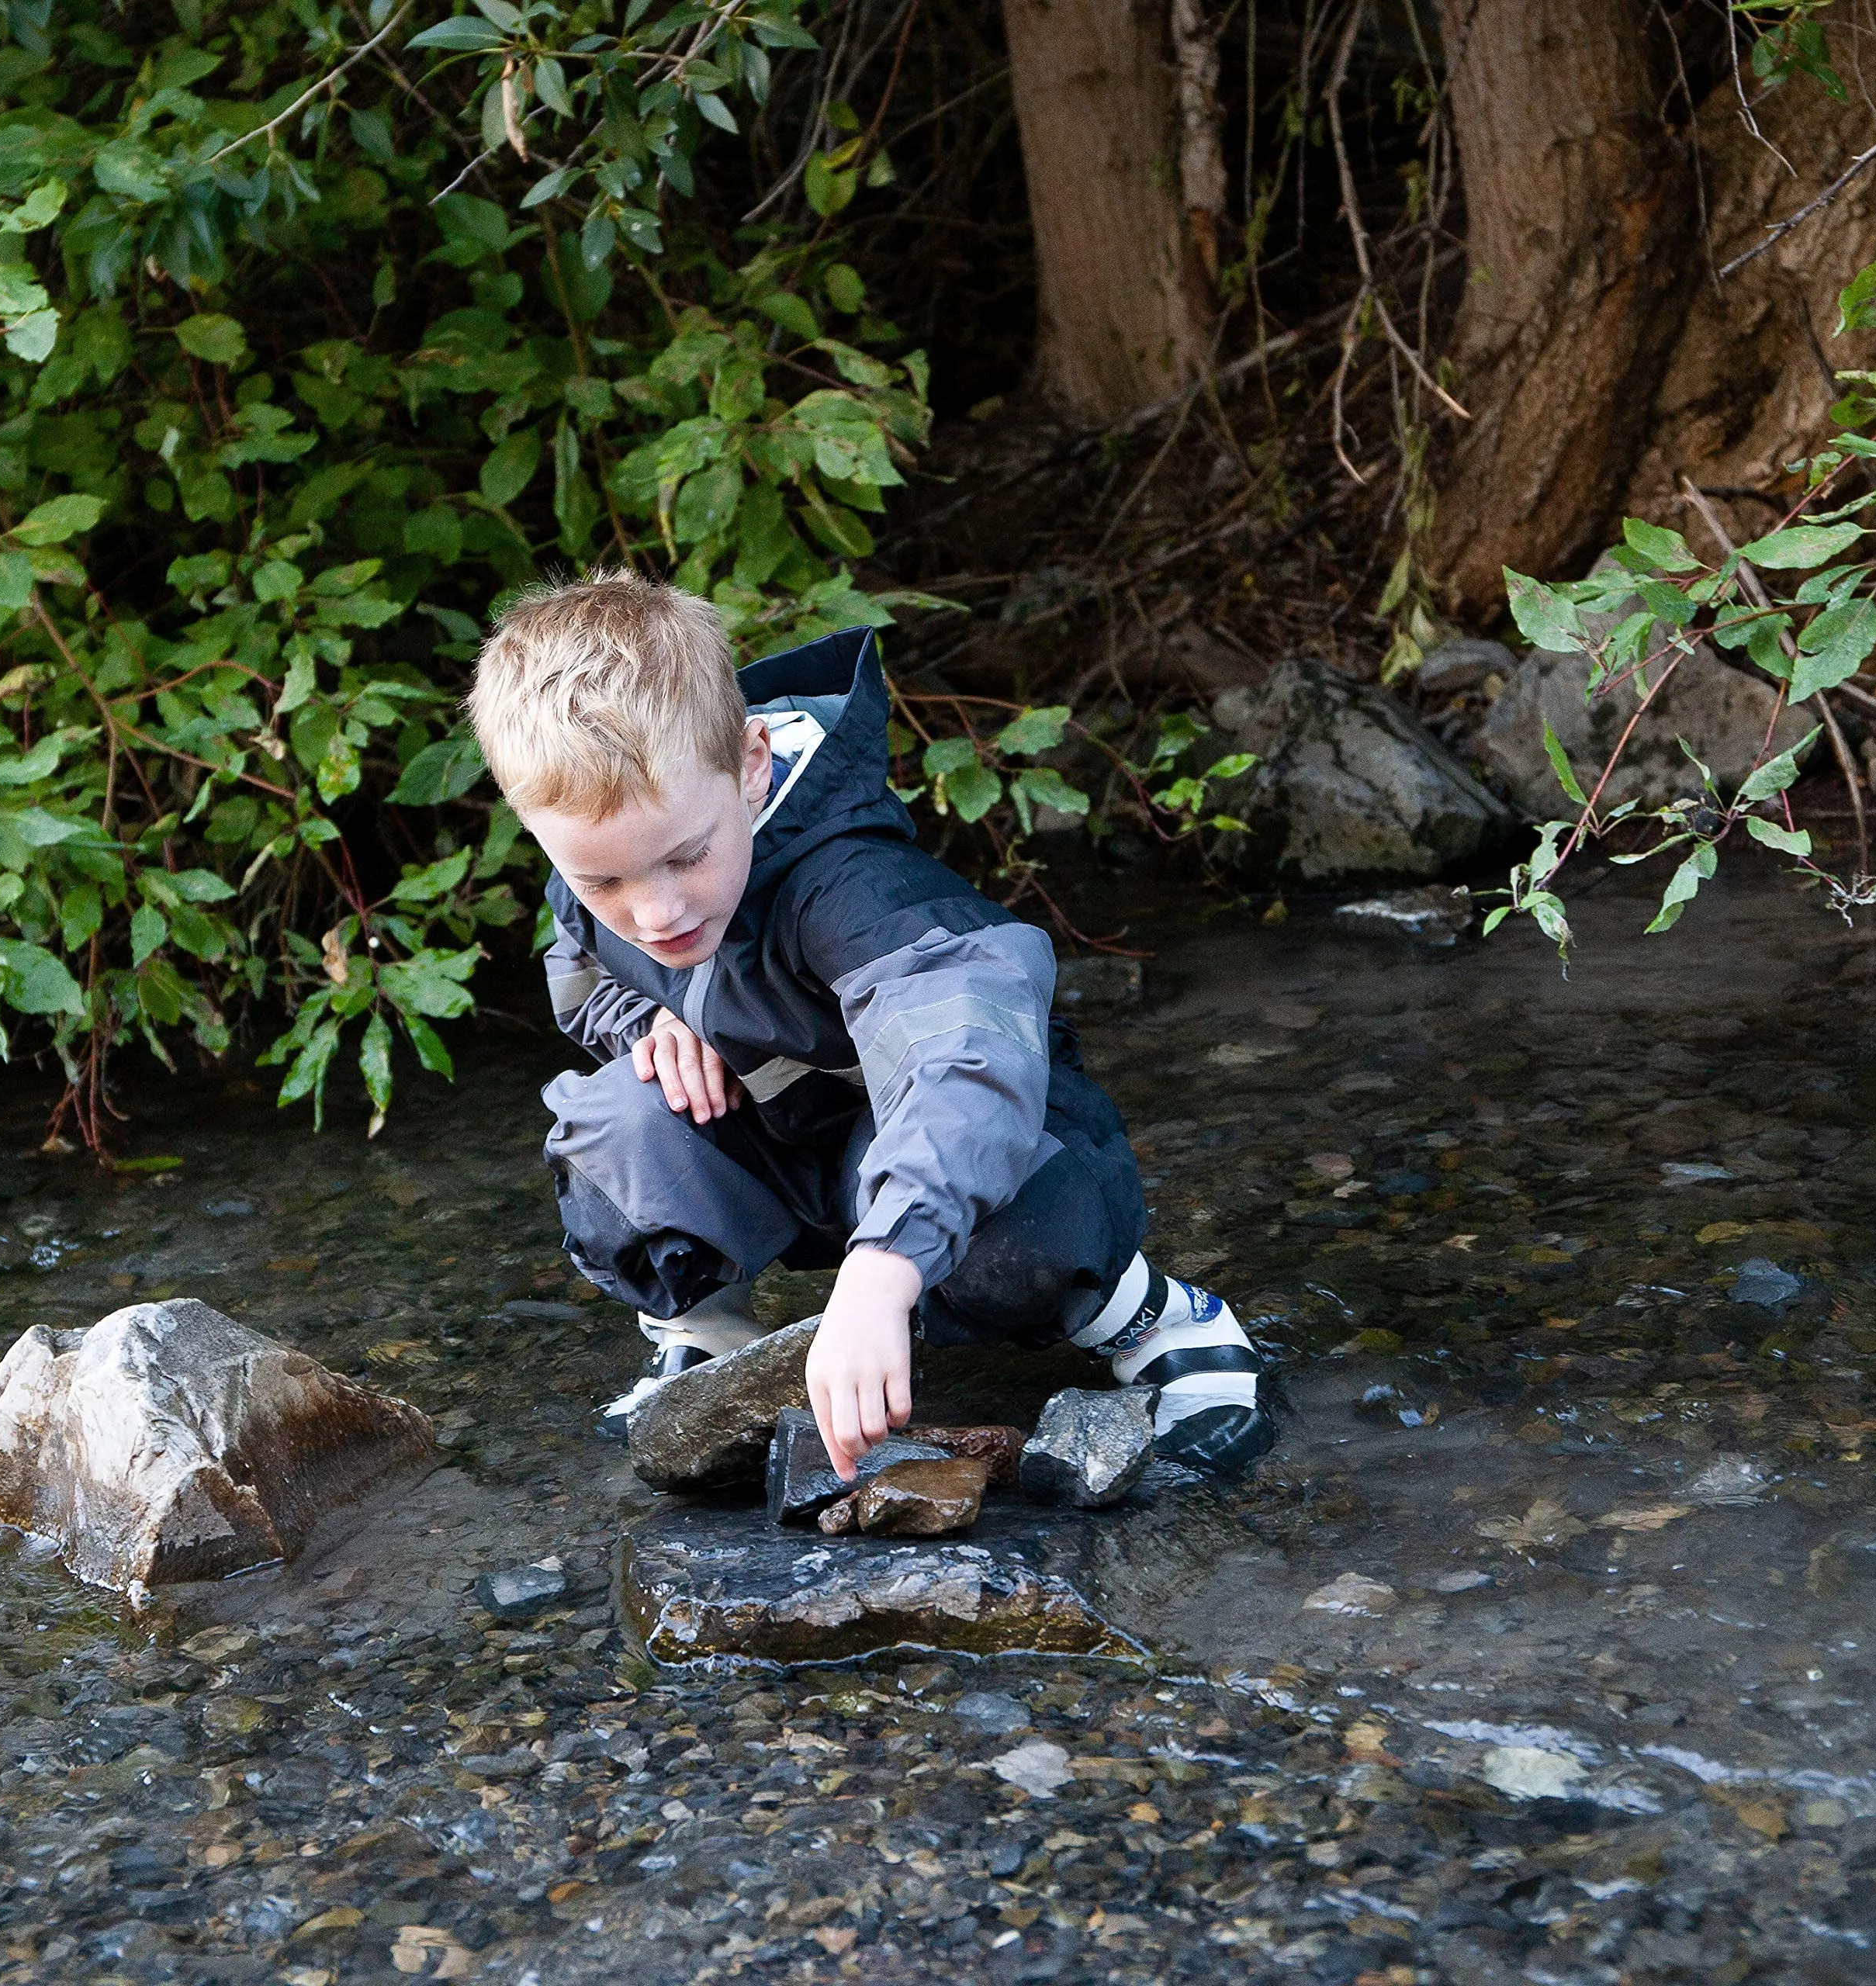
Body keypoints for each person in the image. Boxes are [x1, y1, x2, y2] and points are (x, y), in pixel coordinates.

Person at [466, 571, 1273, 1483]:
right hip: (785, 1131)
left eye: (687, 856)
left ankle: (1158, 1319)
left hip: (955, 1134)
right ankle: (711, 1332)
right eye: (602, 882)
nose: (653, 911)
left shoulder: (852, 889)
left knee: (1016, 1235)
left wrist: (884, 1270)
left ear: (751, 763)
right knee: (614, 1124)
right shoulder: (603, 859)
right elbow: (578, 976)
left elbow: (963, 1070)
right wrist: (649, 1018)